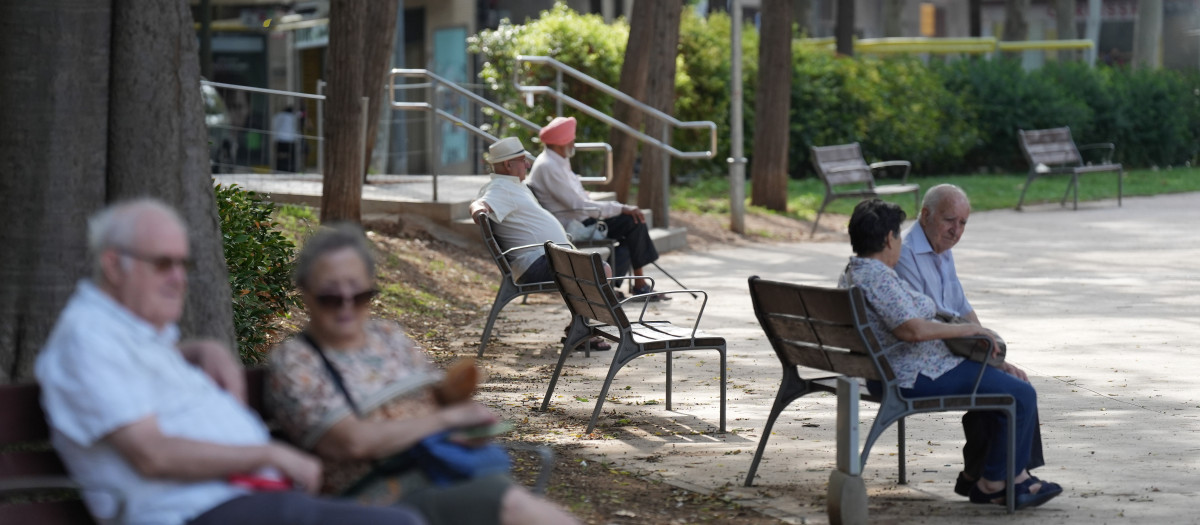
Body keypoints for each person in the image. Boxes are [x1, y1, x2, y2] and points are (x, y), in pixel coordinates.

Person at [35, 199, 426, 525]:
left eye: (182, 265)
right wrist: (268, 455)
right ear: (112, 264)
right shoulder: (88, 340)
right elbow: (152, 455)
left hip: (242, 502)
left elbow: (134, 380)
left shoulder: (127, 335)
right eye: (162, 264)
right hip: (196, 512)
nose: (178, 278)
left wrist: (199, 349)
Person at [266, 223, 579, 525]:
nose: (347, 305)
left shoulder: (387, 336)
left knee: (521, 505)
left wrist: (467, 421)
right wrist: (446, 421)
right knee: (516, 507)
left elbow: (436, 399)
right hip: (379, 496)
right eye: (331, 297)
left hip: (442, 468)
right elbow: (353, 442)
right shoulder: (298, 363)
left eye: (359, 294)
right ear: (306, 294)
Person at [840, 199, 1062, 510]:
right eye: (898, 237)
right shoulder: (878, 278)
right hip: (914, 374)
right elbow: (912, 331)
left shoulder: (857, 272)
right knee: (1020, 393)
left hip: (894, 369)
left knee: (1001, 384)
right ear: (890, 238)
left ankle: (994, 475)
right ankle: (995, 482)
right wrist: (971, 331)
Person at [895, 184, 1046, 498]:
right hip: (925, 362)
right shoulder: (906, 254)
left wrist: (993, 355)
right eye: (950, 220)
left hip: (941, 354)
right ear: (925, 215)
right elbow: (921, 327)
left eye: (963, 223)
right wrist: (979, 347)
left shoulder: (941, 249)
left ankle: (978, 475)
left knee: (1005, 379)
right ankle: (998, 480)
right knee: (1019, 393)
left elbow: (962, 309)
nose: (956, 231)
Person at [470, 136, 613, 350]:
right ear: (508, 164)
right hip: (535, 263)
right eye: (522, 160)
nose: (527, 164)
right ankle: (580, 331)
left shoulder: (512, 185)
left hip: (543, 258)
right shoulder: (501, 187)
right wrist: (479, 210)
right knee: (600, 269)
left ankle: (580, 329)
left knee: (599, 267)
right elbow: (482, 203)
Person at [525, 116, 665, 299]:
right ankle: (633, 285)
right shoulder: (549, 166)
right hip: (574, 223)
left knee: (633, 227)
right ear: (561, 143)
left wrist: (612, 207)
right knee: (633, 221)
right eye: (571, 140)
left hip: (580, 216)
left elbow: (578, 197)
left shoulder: (558, 160)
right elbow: (578, 205)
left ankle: (615, 286)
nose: (574, 143)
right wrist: (619, 208)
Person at [272, 105, 299, 172]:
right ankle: (292, 169)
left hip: (279, 138)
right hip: (290, 139)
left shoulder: (278, 115)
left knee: (279, 155)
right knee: (292, 156)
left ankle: (278, 168)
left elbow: (274, 125)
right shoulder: (293, 116)